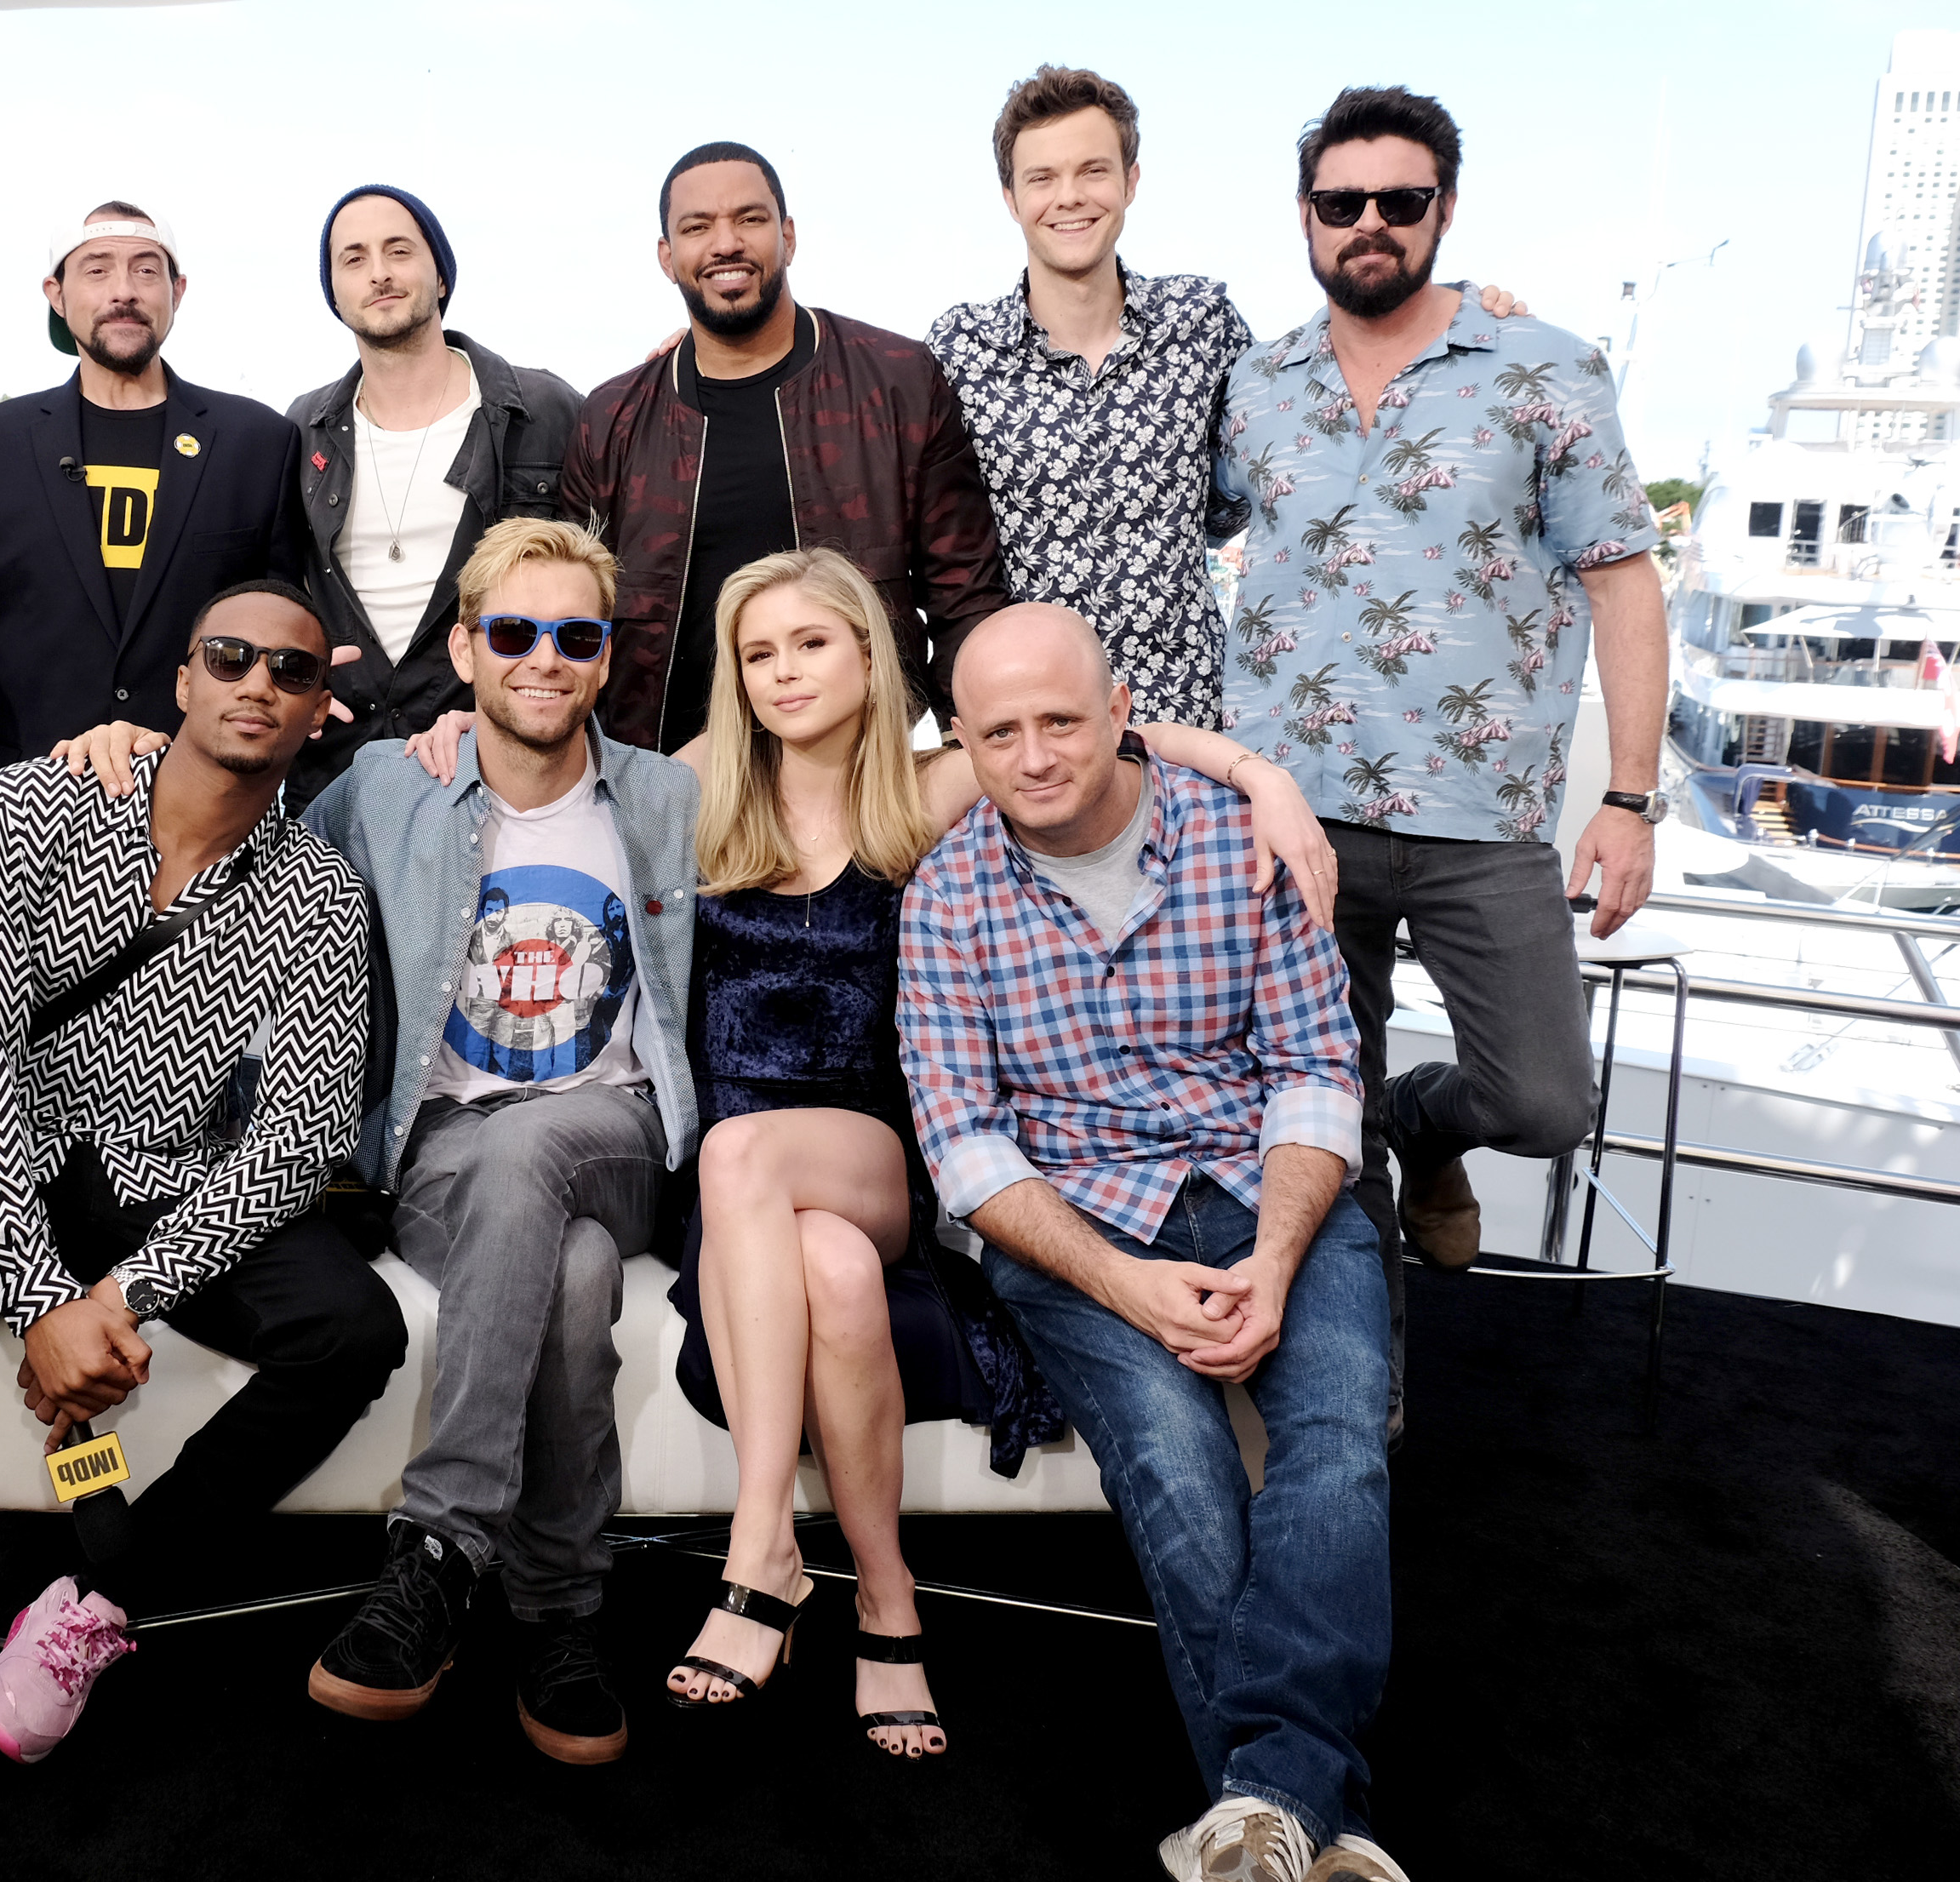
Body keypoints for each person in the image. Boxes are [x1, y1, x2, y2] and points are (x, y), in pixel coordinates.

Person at [397, 548, 1338, 1760]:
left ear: (866, 654)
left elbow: (1117, 731)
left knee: (755, 1161)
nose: (785, 671)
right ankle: (889, 1602)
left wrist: (1263, 774)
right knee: (822, 1263)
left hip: (880, 1149)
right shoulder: (688, 790)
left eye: (812, 643)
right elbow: (542, 754)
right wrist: (446, 728)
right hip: (739, 1194)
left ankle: (761, 1552)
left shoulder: (935, 784)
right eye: (759, 652)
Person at [0, 581, 397, 1882]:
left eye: (290, 667)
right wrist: (44, 1291)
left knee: (351, 1325)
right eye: (232, 655)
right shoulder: (33, 806)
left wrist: (132, 1290)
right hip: (12, 1159)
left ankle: (100, 1594)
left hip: (171, 1178)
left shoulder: (322, 894)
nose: (258, 681)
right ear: (181, 676)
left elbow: (300, 1134)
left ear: (319, 710)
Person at [899, 603, 1400, 1882]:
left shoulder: (1242, 840)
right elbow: (965, 1148)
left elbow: (1313, 1066)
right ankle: (1305, 1810)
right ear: (963, 740)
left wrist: (1278, 1257)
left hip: (1263, 1184)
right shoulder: (947, 891)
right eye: (999, 731)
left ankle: (1260, 1808)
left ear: (1124, 711)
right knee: (1177, 1461)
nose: (1035, 754)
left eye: (1061, 718)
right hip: (1076, 1223)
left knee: (1339, 1428)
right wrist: (1128, 1282)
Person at [1214, 87, 1666, 1428]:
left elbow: (1626, 584)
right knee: (1315, 1124)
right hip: (1292, 813)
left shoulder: (1545, 367)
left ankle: (1428, 1120)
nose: (1368, 224)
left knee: (1541, 1097)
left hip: (1485, 814)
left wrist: (1631, 796)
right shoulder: (1256, 384)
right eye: (1340, 202)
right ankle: (1371, 1389)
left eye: (1398, 202)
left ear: (1443, 212)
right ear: (1304, 217)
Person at [301, 515, 696, 1766]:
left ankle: (438, 1543)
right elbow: (248, 859)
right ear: (465, 648)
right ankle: (560, 1610)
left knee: (543, 1158)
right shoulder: (385, 784)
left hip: (620, 1129)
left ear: (606, 656)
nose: (545, 658)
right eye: (514, 632)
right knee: (574, 1274)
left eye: (575, 636)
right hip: (444, 1145)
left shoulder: (668, 793)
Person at [930, 66, 1529, 729]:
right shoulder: (959, 349)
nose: (1069, 197)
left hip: (1193, 724)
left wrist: (1460, 310)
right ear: (1010, 197)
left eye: (1093, 171)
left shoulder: (1203, 321)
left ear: (1131, 181)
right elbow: (943, 549)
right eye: (1042, 177)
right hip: (1033, 733)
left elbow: (1323, 388)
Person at [558, 140, 1009, 751]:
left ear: (788, 236)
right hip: (667, 789)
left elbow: (966, 599)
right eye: (698, 227)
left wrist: (981, 752)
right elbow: (570, 619)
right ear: (667, 256)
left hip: (859, 782)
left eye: (750, 219)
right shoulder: (612, 419)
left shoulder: (897, 383)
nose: (725, 243)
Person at [0, 201, 306, 781]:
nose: (124, 290)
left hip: (206, 797)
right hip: (25, 797)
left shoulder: (258, 444)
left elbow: (282, 612)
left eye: (147, 270)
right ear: (56, 292)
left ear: (178, 290)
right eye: (96, 270)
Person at [283, 184, 582, 805]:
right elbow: (278, 588)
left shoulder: (544, 411)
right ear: (334, 293)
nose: (381, 274)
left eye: (399, 251)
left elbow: (599, 586)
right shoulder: (301, 427)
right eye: (354, 259)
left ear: (440, 276)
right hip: (339, 775)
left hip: (496, 767)